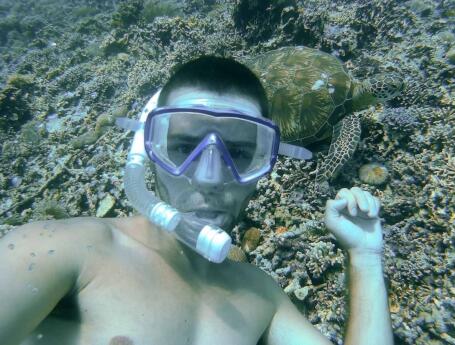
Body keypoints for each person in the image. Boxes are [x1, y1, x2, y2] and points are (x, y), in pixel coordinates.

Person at [0, 56, 394, 345]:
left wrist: (364, 257)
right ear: (146, 151)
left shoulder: (261, 296)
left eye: (240, 154)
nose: (209, 177)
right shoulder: (59, 251)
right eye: (184, 147)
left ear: (267, 163)